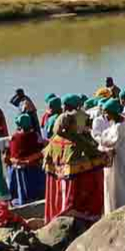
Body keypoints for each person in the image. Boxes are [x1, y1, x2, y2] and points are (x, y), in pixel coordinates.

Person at [42, 94, 108, 222]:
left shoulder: (54, 140)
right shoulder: (75, 139)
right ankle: (84, 212)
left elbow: (46, 157)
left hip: (56, 177)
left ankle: (55, 213)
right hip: (70, 180)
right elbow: (92, 152)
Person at [96, 98, 125, 213]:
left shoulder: (119, 127)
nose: (105, 115)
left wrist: (97, 137)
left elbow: (111, 142)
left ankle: (122, 209)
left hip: (120, 161)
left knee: (120, 186)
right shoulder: (124, 121)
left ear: (113, 112)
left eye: (107, 112)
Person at [6, 113, 47, 206]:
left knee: (22, 191)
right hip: (34, 168)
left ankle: (21, 201)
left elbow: (11, 154)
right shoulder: (35, 135)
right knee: (37, 191)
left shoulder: (13, 137)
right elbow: (42, 148)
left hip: (18, 169)